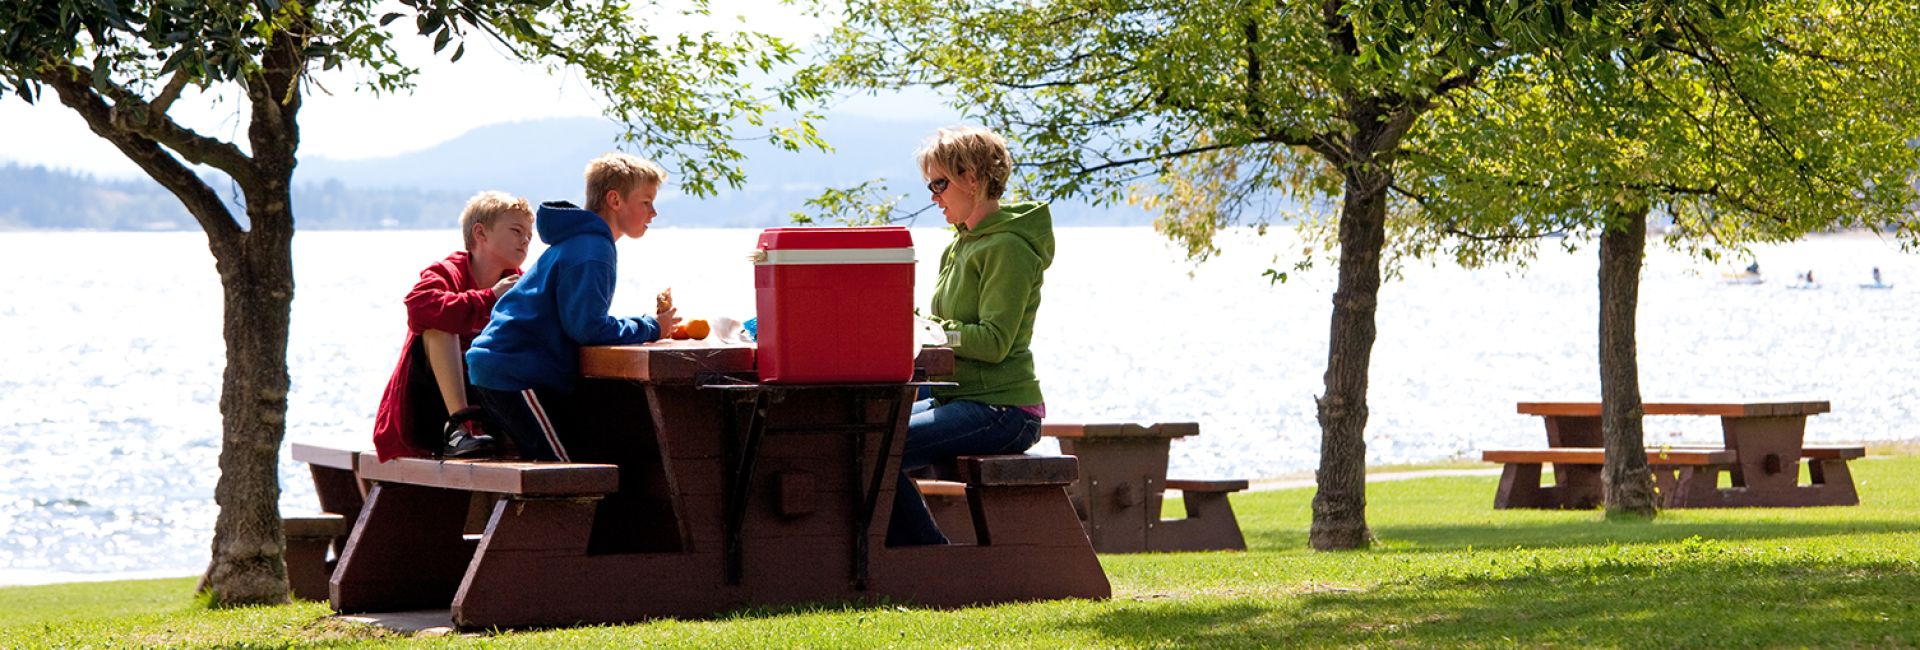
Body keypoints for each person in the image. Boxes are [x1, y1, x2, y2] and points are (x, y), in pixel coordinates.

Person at [889, 126, 1055, 546]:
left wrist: (930, 330)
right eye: (930, 186)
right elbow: (946, 325)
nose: (934, 197)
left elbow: (994, 341)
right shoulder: (960, 244)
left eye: (939, 184)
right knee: (864, 435)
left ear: (973, 179)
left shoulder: (1008, 247)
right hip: (960, 397)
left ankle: (931, 561)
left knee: (880, 452)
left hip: (1004, 409)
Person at [465, 153, 681, 462]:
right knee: (565, 470)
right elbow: (587, 328)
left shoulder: (579, 241)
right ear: (615, 200)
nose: (654, 212)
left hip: (501, 367)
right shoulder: (593, 249)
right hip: (515, 372)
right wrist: (652, 327)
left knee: (566, 459)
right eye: (646, 202)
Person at [372, 191, 532, 461]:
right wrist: (489, 298)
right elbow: (418, 307)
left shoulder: (520, 284)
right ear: (480, 233)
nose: (525, 240)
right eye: (516, 231)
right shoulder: (447, 273)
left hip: (488, 402)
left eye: (529, 235)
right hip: (430, 410)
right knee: (439, 324)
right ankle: (461, 427)